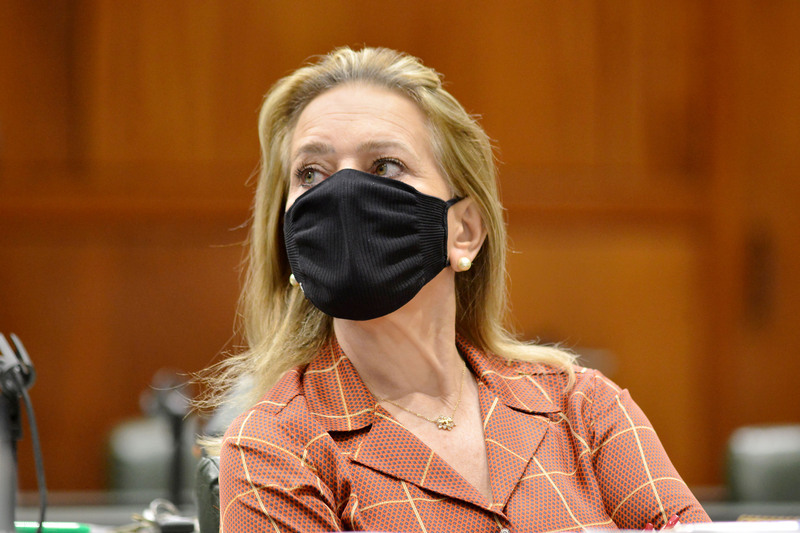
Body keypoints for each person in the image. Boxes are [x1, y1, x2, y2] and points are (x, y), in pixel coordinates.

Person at [205, 46, 710, 532]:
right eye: (311, 173)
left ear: (463, 231)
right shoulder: (273, 446)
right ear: (289, 235)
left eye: (385, 166)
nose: (343, 195)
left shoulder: (582, 406)